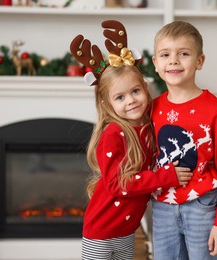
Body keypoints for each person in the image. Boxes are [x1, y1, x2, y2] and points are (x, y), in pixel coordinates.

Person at [69, 20, 192, 260]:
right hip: (100, 234)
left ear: (145, 89)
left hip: (127, 231)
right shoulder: (113, 134)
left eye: (135, 91)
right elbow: (119, 185)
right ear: (107, 104)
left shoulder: (147, 126)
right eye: (120, 97)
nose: (131, 101)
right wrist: (165, 176)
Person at [151, 20, 217, 259]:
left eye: (184, 54)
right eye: (165, 54)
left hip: (202, 205)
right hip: (163, 206)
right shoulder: (152, 109)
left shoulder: (213, 109)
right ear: (155, 63)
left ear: (199, 61)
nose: (174, 61)